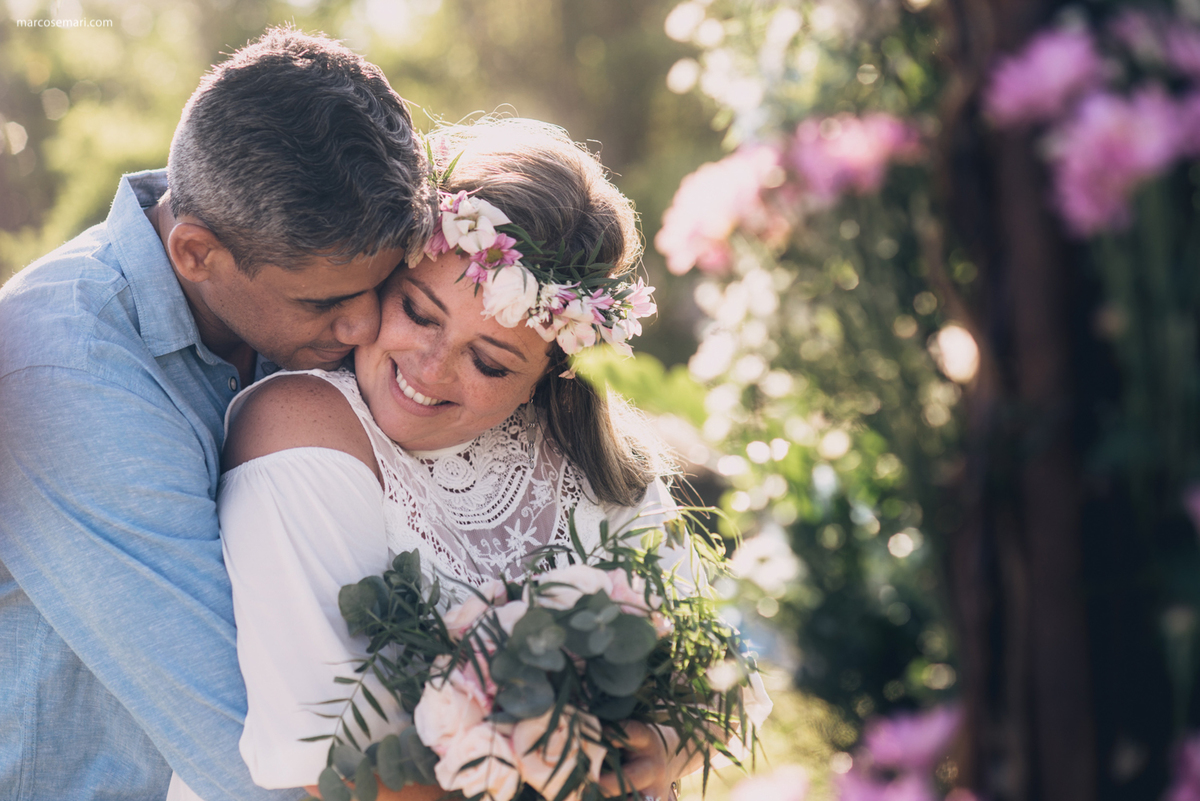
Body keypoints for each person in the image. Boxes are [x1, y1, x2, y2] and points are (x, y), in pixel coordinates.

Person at [171, 118, 695, 801]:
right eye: (419, 312)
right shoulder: (299, 429)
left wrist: (662, 747)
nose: (430, 367)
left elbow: (707, 679)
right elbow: (329, 764)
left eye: (488, 360)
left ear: (555, 371)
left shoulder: (601, 471)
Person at [0, 28, 433, 801]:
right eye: (325, 301)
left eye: (383, 285)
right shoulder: (59, 366)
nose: (367, 328)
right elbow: (246, 753)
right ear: (195, 253)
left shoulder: (286, 307)